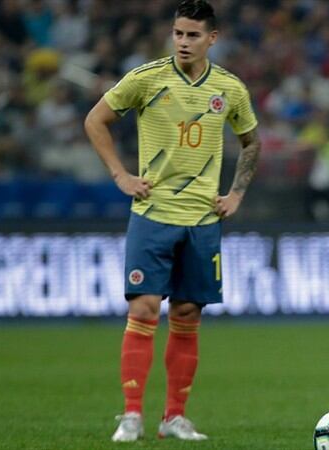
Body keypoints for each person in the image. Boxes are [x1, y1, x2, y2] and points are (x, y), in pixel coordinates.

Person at [84, 0, 261, 442]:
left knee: (186, 314)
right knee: (143, 309)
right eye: (178, 33)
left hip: (202, 220)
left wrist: (237, 193)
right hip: (153, 215)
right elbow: (96, 120)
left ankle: (174, 417)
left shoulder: (229, 88)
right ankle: (131, 415)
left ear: (212, 38)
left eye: (193, 35)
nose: (183, 42)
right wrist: (120, 175)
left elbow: (252, 142)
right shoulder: (147, 79)